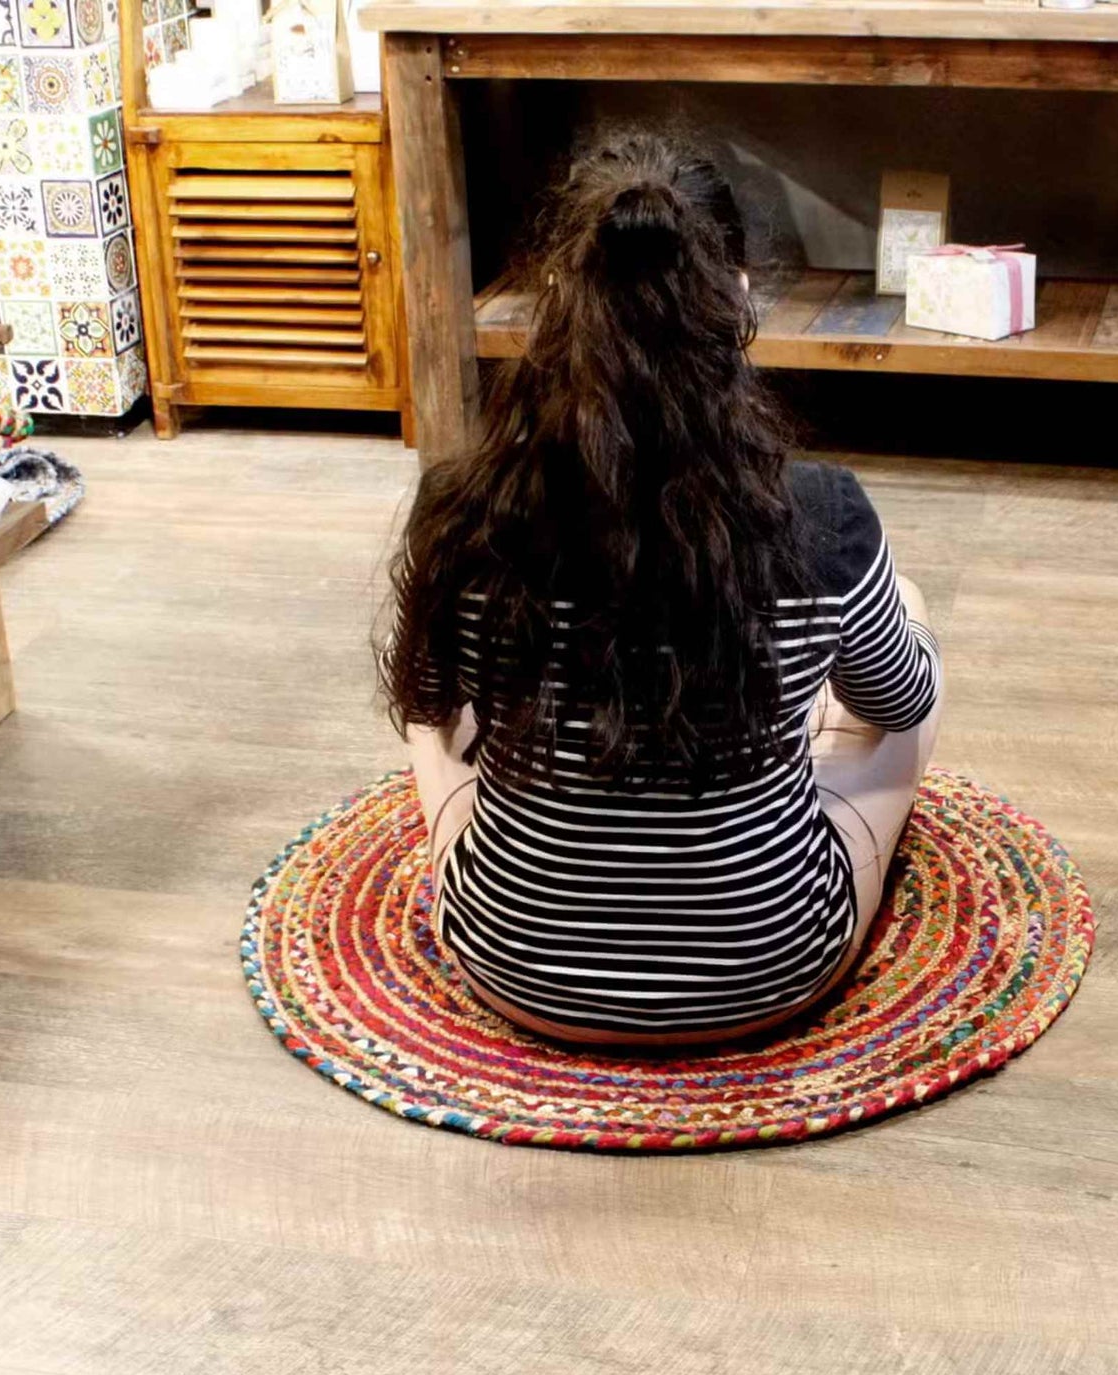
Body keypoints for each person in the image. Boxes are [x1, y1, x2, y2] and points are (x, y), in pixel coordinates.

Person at [380, 132, 942, 1049]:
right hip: (773, 968)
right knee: (903, 624)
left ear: (554, 304)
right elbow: (898, 702)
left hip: (514, 969)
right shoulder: (818, 512)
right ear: (738, 300)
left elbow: (433, 704)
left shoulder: (461, 504)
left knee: (430, 715)